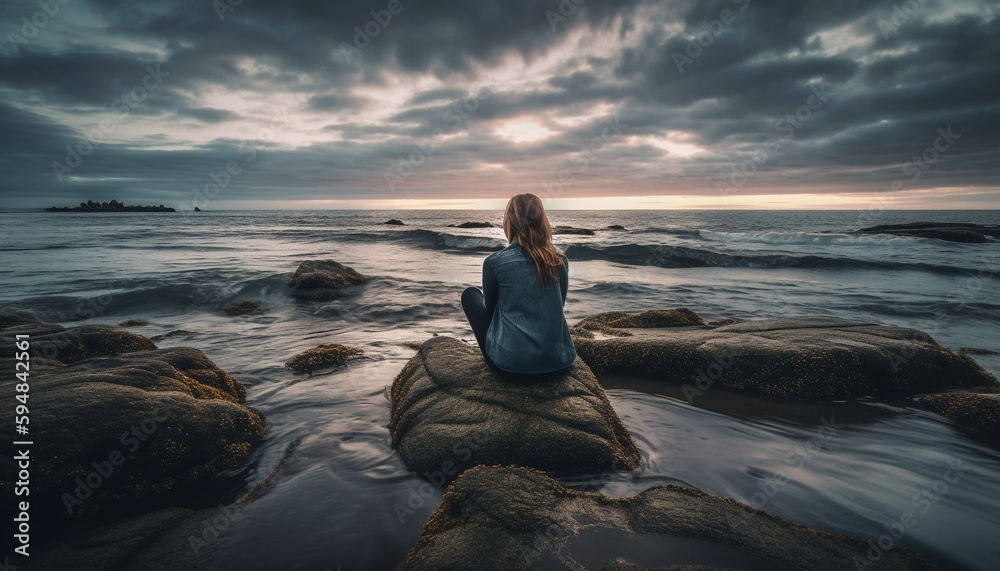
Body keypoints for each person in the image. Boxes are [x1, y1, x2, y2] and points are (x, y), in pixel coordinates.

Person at [461, 193, 576, 374]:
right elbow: (557, 306)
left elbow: (490, 309)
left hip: (512, 366)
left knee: (470, 295)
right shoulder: (559, 260)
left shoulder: (494, 262)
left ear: (508, 222)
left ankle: (511, 347)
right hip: (560, 362)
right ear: (542, 221)